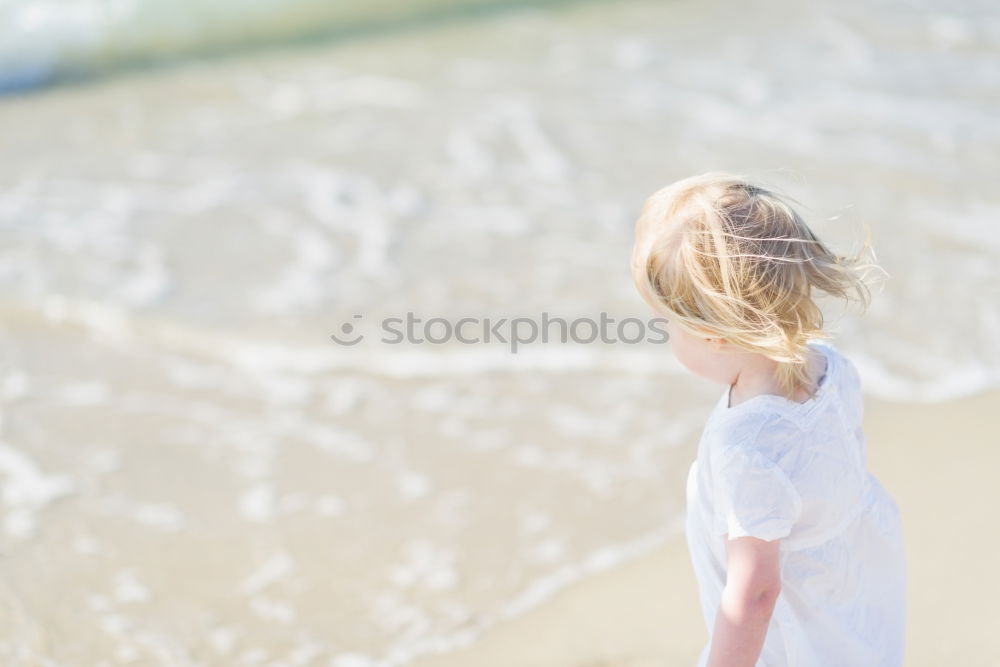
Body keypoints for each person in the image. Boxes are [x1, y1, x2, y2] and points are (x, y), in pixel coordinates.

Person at [630, 173, 906, 666]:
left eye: (666, 323)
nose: (663, 333)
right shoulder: (829, 367)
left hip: (789, 645)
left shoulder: (747, 448)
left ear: (712, 334)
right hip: (847, 603)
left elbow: (755, 593)